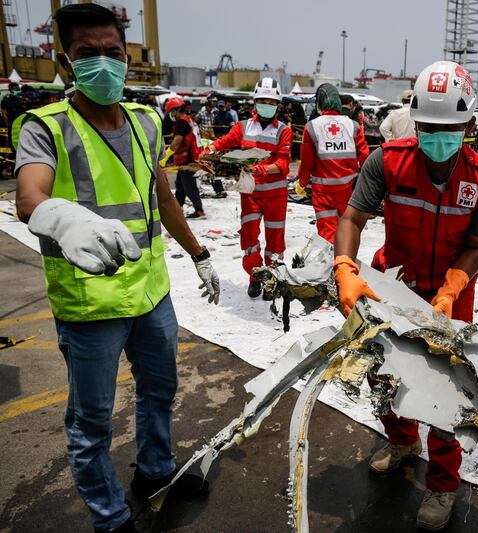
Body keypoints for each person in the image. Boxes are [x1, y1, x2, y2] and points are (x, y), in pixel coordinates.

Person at [11, 4, 220, 532]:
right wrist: (60, 216)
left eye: (112, 53)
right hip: (90, 303)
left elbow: (164, 198)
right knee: (92, 422)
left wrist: (199, 254)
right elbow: (29, 195)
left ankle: (155, 471)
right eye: (87, 54)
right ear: (65, 63)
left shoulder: (148, 121)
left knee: (159, 391)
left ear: (127, 58)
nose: (103, 64)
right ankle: (109, 517)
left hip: (151, 293)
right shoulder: (45, 127)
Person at [333, 60, 478, 531]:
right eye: (428, 126)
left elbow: (476, 245)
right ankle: (402, 440)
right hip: (396, 284)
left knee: (449, 394)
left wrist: (452, 287)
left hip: (454, 292)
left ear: (469, 125)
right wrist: (346, 267)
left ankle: (444, 484)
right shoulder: (387, 160)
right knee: (387, 375)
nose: (436, 136)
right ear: (415, 119)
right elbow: (352, 218)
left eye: (448, 128)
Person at [206, 77, 292, 299]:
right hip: (250, 193)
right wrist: (209, 150)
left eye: (271, 102)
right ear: (255, 102)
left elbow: (283, 164)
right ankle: (255, 276)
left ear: (277, 105)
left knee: (275, 239)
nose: (267, 105)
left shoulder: (284, 131)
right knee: (249, 236)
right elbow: (223, 142)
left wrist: (261, 170)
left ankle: (271, 279)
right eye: (262, 100)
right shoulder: (243, 127)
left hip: (275, 194)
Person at [296, 84, 369, 242]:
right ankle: (345, 262)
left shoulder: (312, 127)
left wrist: (301, 183)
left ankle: (332, 265)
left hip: (324, 194)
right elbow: (365, 158)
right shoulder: (353, 126)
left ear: (320, 103)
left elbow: (307, 162)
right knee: (347, 230)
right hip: (349, 191)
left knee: (328, 234)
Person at [160, 97, 206, 218]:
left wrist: (165, 157)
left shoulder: (181, 122)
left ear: (175, 111)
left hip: (188, 160)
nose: (171, 115)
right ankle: (177, 209)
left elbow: (177, 141)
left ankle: (199, 211)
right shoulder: (189, 120)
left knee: (189, 186)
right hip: (191, 158)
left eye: (171, 112)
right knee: (180, 185)